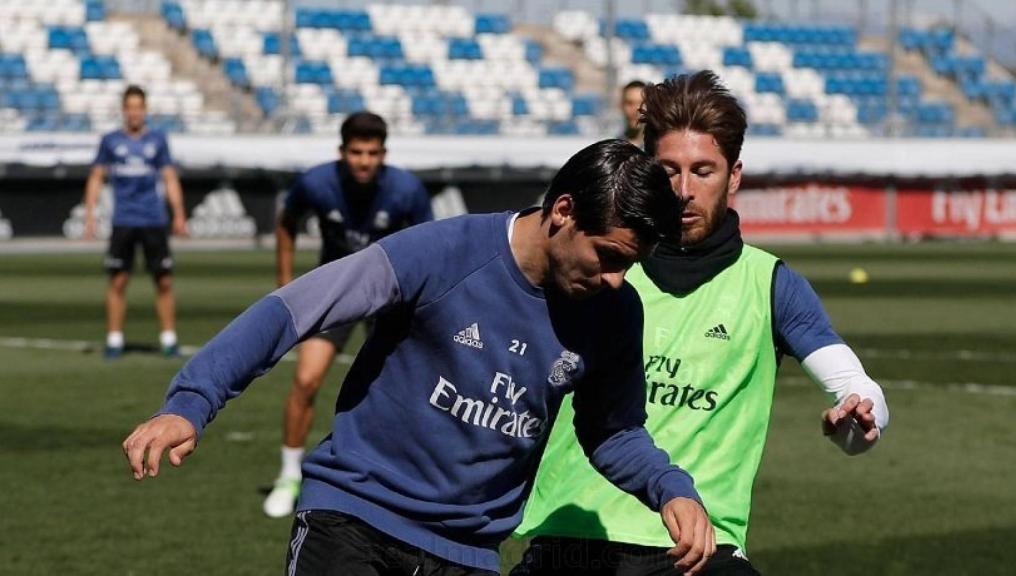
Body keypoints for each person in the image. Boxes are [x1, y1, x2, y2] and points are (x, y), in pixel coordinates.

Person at [121, 139, 717, 576]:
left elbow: (612, 429)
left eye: (629, 265)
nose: (617, 279)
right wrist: (192, 402)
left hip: (469, 554)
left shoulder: (614, 311)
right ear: (563, 211)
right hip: (354, 523)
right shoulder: (446, 252)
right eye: (608, 255)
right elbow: (297, 309)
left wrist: (671, 488)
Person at [513, 71, 891, 575]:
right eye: (668, 170)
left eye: (703, 171)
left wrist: (855, 426)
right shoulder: (592, 269)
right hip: (572, 538)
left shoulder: (771, 285)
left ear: (734, 175)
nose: (684, 190)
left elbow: (861, 395)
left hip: (699, 553)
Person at [262, 111, 434, 519]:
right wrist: (285, 282)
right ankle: (289, 475)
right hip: (336, 294)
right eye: (356, 152)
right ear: (342, 152)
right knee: (305, 379)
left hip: (392, 300)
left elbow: (432, 246)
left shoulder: (406, 189)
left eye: (373, 153)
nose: (364, 161)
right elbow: (286, 224)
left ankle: (409, 481)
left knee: (411, 389)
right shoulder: (316, 182)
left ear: (384, 154)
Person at [83, 84, 187, 358]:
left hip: (153, 219)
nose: (134, 113)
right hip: (124, 220)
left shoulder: (158, 140)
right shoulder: (111, 141)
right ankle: (115, 339)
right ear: (123, 110)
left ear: (145, 110)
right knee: (117, 281)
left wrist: (178, 212)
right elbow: (96, 177)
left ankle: (168, 338)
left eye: (138, 107)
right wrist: (90, 214)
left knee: (163, 281)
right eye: (129, 107)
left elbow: (169, 177)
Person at [620, 80, 646, 148]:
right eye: (630, 103)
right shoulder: (613, 144)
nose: (636, 109)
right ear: (621, 105)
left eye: (641, 103)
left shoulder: (660, 148)